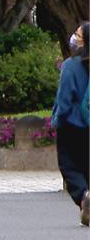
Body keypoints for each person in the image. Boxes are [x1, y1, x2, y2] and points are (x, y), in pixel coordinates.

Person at [52, 21, 89, 226]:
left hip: (72, 124)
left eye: (78, 34)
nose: (74, 37)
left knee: (69, 165)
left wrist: (57, 120)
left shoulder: (70, 66)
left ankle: (84, 197)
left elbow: (64, 100)